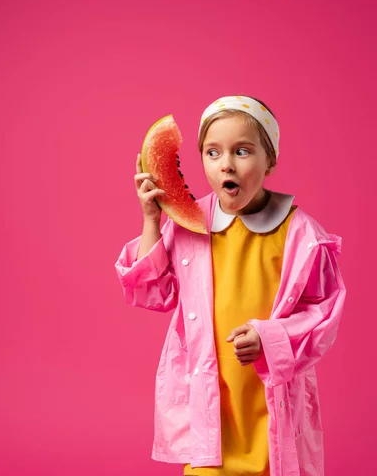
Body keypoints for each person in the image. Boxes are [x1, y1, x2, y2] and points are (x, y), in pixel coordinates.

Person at [115, 95, 345, 476]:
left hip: (272, 406)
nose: (226, 164)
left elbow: (324, 315)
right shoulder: (188, 223)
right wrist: (152, 220)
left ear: (270, 160)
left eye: (242, 151)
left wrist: (270, 337)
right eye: (212, 152)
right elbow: (153, 292)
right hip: (209, 409)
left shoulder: (302, 233)